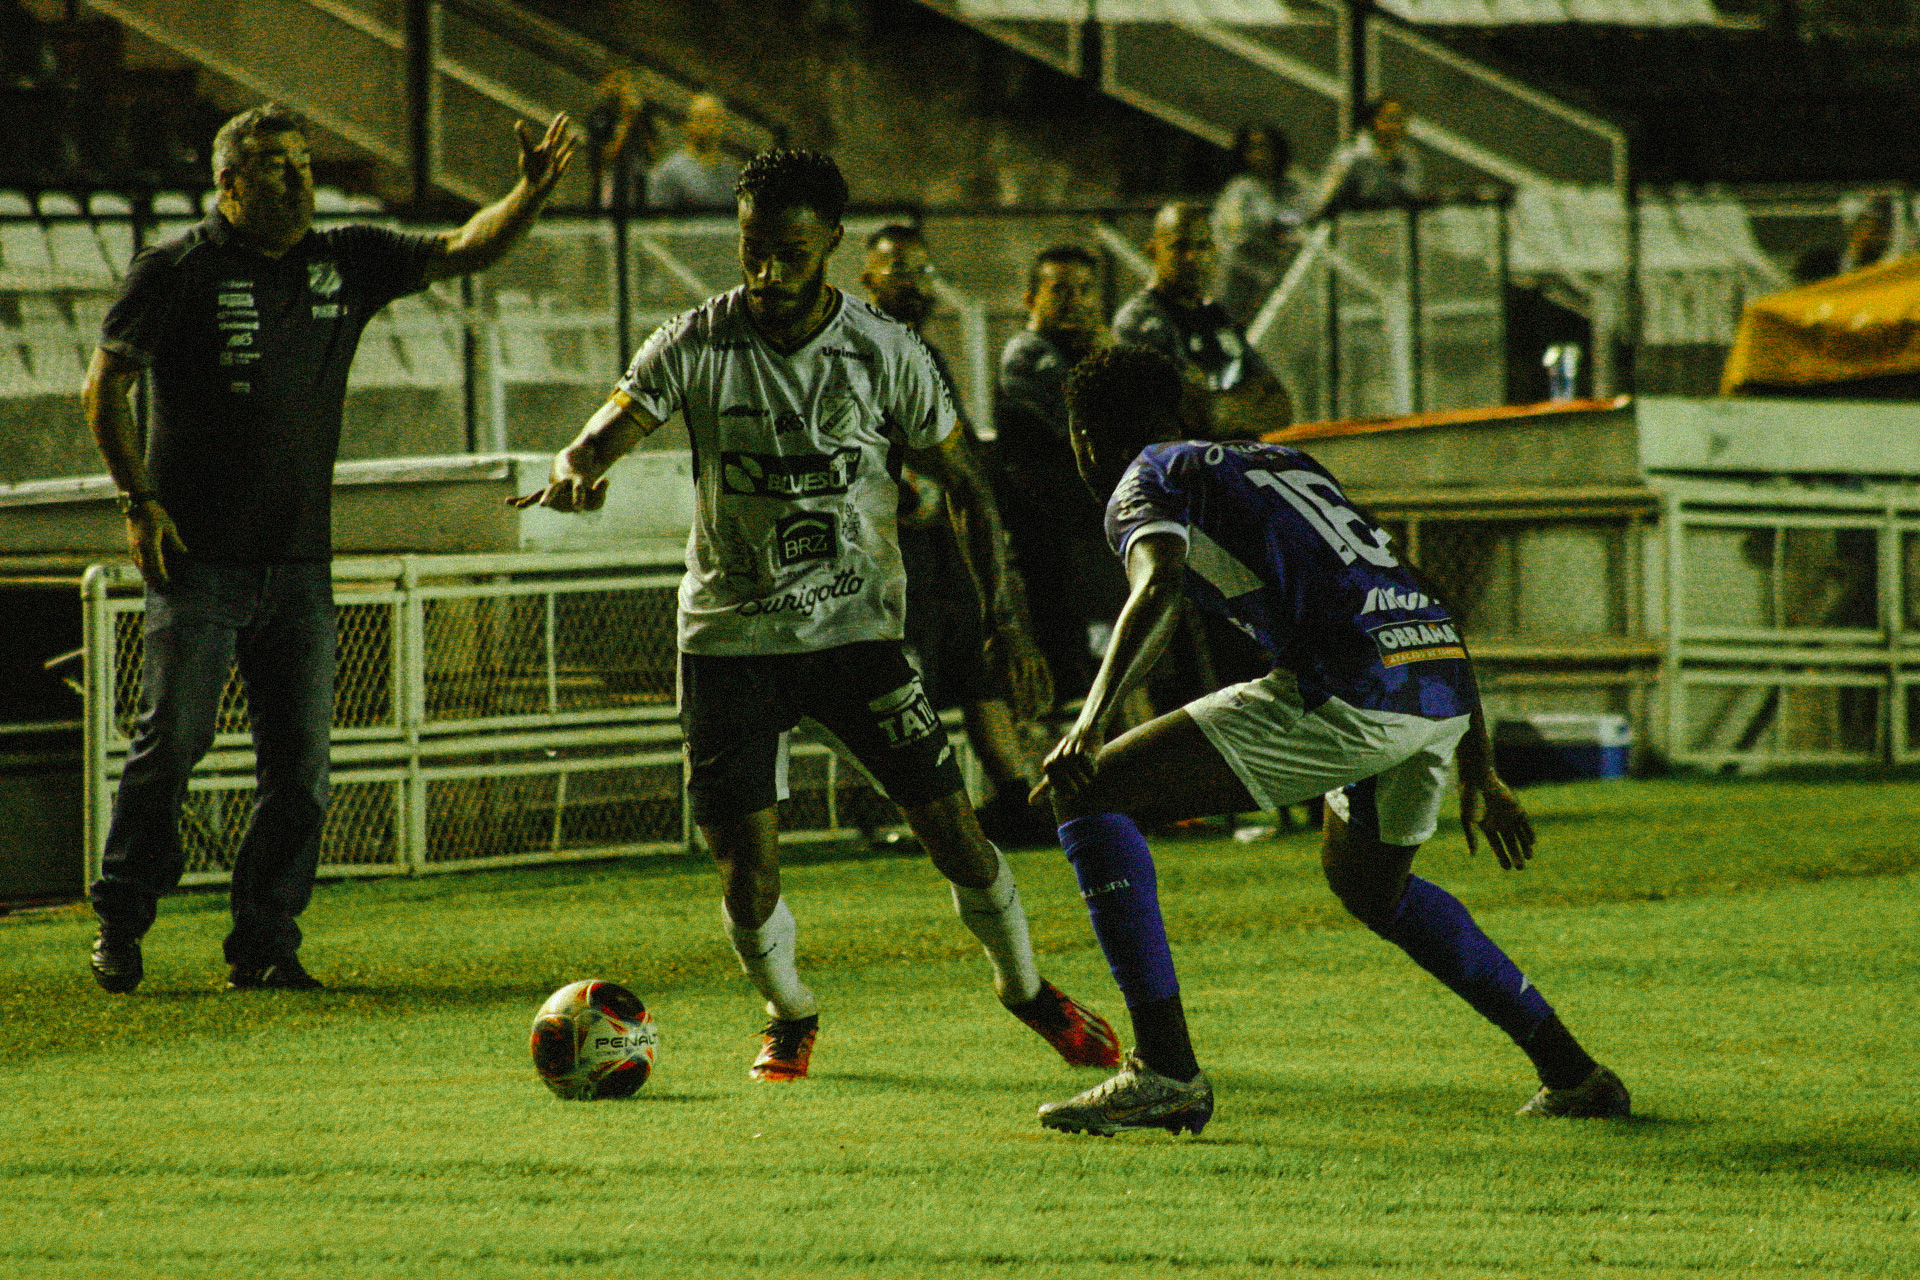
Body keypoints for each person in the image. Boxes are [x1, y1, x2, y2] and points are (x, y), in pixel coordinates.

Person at [516, 150, 1119, 1081]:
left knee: (958, 833)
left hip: (857, 637)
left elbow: (969, 488)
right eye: (752, 246)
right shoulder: (693, 341)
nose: (765, 270)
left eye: (788, 250)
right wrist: (575, 473)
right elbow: (602, 436)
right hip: (727, 640)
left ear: (831, 243)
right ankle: (789, 1012)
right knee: (747, 872)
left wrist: (1009, 625)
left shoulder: (886, 351)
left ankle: (1028, 990)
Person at [1027, 343, 1629, 1135]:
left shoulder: (1147, 475)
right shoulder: (1286, 464)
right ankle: (1574, 1073)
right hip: (1436, 682)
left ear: (1083, 440)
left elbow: (1160, 581)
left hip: (1349, 685)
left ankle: (1165, 1070)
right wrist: (1481, 768)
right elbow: (1416, 592)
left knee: (1094, 791)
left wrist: (1090, 724)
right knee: (1373, 888)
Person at [84, 104, 577, 995]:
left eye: (305, 162)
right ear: (228, 184)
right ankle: (122, 917)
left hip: (301, 563)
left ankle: (265, 942)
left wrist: (528, 194)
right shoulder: (177, 269)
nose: (300, 179)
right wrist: (138, 502)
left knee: (301, 768)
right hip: (199, 561)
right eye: (276, 166)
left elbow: (465, 248)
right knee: (175, 743)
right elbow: (103, 384)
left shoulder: (343, 257)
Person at [858, 223, 1057, 847]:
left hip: (944, 538)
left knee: (978, 661)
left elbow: (958, 440)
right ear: (868, 280)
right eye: (902, 273)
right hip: (890, 543)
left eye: (924, 272)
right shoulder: (858, 348)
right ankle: (906, 810)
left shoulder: (922, 348)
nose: (918, 285)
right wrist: (905, 480)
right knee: (903, 674)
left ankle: (1014, 792)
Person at [1112, 203, 1286, 717]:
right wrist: (1234, 405)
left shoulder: (1216, 317)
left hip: (1235, 497)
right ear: (1153, 250)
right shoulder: (1141, 320)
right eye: (1180, 246)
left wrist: (1220, 406)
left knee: (1251, 637)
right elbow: (1199, 414)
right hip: (1186, 506)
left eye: (1204, 245)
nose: (1195, 257)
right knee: (1200, 652)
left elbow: (1282, 401)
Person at [995, 244, 1130, 703]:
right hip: (1059, 553)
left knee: (1128, 682)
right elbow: (1095, 425)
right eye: (1060, 289)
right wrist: (1111, 358)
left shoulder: (1084, 355)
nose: (1075, 300)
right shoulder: (1027, 357)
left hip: (1097, 547)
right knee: (1093, 689)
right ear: (1031, 299)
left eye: (1085, 290)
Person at [1212, 125, 1306, 327]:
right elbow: (1236, 236)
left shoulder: (1291, 190)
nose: (1259, 155)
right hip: (1243, 281)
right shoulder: (1239, 190)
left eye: (1265, 148)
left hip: (1281, 281)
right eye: (1252, 148)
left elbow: (1302, 221)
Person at [1310, 97, 1424, 219]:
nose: (1394, 126)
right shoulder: (1351, 154)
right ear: (1374, 120)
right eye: (1389, 120)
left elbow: (1412, 194)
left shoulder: (1408, 157)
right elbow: (1324, 197)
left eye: (1400, 120)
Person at [645, 93, 740, 213]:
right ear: (688, 124)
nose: (710, 126)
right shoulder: (668, 171)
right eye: (702, 118)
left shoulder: (731, 171)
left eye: (716, 119)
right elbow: (658, 223)